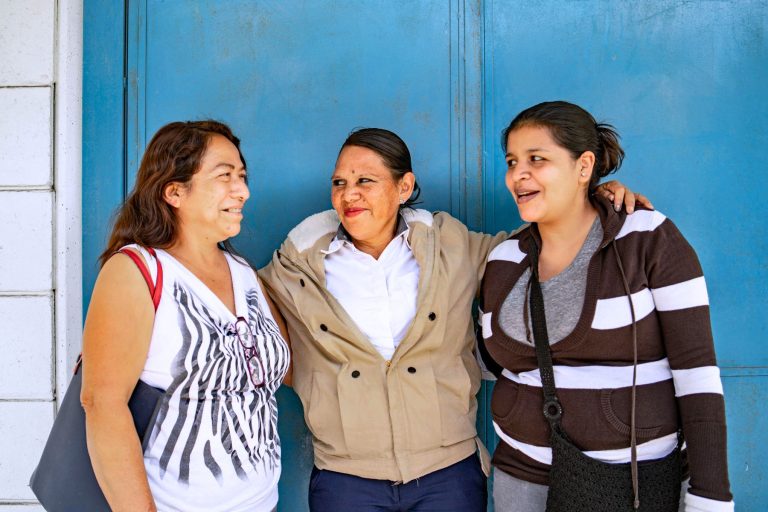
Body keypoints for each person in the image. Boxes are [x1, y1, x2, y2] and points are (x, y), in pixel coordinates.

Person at [258, 127, 642, 511]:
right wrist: (309, 378)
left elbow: (537, 249)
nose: (348, 194)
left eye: (365, 181)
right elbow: (251, 318)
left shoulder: (451, 247)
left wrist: (591, 200)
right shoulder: (299, 264)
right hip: (345, 479)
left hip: (448, 475)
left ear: (404, 187)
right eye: (339, 182)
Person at [478, 101, 733, 511]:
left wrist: (711, 495)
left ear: (584, 167)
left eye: (536, 159)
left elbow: (696, 373)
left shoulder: (648, 238)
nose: (517, 175)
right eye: (512, 161)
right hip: (520, 478)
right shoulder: (504, 258)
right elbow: (487, 358)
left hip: (626, 482)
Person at [80, 121, 290, 512]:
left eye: (242, 177)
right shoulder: (137, 270)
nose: (242, 191)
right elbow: (101, 404)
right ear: (174, 191)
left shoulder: (243, 272)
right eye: (224, 176)